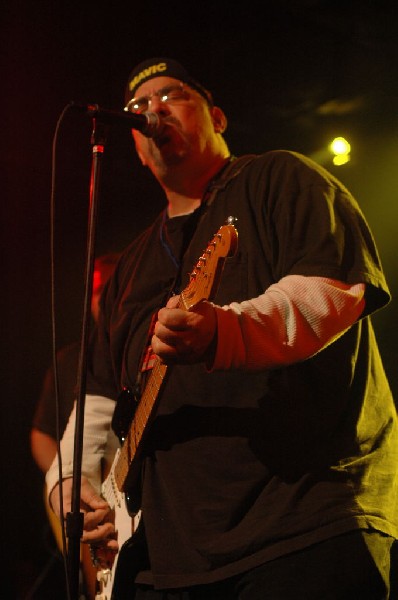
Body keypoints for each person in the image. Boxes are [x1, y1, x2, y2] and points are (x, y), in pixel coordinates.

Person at [46, 57, 398, 599]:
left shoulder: (280, 178)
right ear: (136, 149)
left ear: (217, 117)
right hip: (165, 561)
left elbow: (331, 293)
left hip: (303, 524)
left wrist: (223, 333)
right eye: (138, 106)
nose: (151, 110)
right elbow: (93, 406)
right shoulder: (131, 269)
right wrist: (72, 488)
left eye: (171, 96)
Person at [31, 252, 120, 598]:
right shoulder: (69, 360)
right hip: (93, 491)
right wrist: (66, 479)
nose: (107, 299)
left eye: (115, 290)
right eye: (100, 292)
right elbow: (41, 436)